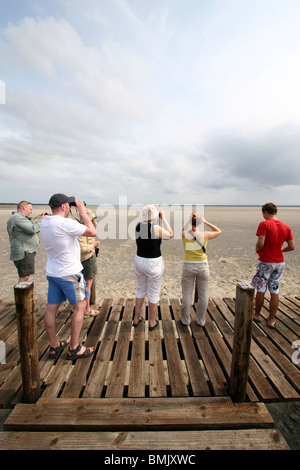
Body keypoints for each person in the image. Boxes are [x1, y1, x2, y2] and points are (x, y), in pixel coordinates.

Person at [40, 193, 96, 360]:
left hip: (53, 273)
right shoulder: (66, 223)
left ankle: (54, 345)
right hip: (70, 273)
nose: (71, 208)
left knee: (51, 309)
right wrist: (83, 213)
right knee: (79, 307)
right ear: (64, 206)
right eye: (69, 206)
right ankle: (75, 348)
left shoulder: (45, 222)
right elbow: (92, 232)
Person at [251, 203, 295, 328]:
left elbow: (261, 243)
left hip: (266, 261)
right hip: (280, 262)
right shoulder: (286, 227)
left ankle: (257, 314)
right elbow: (292, 246)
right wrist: (281, 251)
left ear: (265, 212)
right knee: (274, 290)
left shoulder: (264, 224)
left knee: (261, 289)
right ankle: (271, 319)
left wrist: (257, 250)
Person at [132, 205, 173, 331]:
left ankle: (136, 318)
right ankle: (151, 321)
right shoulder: (155, 228)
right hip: (153, 262)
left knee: (140, 289)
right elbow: (170, 234)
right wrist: (164, 218)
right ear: (154, 216)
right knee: (153, 292)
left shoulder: (138, 226)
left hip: (139, 260)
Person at [181, 212, 222, 327]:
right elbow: (219, 231)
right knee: (203, 294)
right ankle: (200, 320)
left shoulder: (185, 234)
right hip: (202, 266)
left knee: (187, 294)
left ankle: (186, 320)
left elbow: (183, 230)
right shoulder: (205, 234)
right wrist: (206, 222)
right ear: (199, 223)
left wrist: (189, 221)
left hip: (188, 265)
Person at [7, 201, 45, 283]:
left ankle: (26, 295)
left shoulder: (18, 218)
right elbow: (32, 229)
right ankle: (21, 295)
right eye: (30, 209)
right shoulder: (18, 218)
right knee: (25, 277)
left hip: (25, 251)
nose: (31, 211)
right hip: (24, 252)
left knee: (25, 275)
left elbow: (31, 230)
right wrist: (41, 220)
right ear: (24, 207)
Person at [78, 208, 100, 317]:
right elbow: (82, 248)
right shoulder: (81, 230)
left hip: (88, 257)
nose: (94, 221)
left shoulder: (87, 228)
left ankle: (84, 307)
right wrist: (94, 246)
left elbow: (94, 230)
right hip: (86, 259)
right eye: (92, 219)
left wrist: (93, 222)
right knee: (87, 285)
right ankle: (86, 309)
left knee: (85, 284)